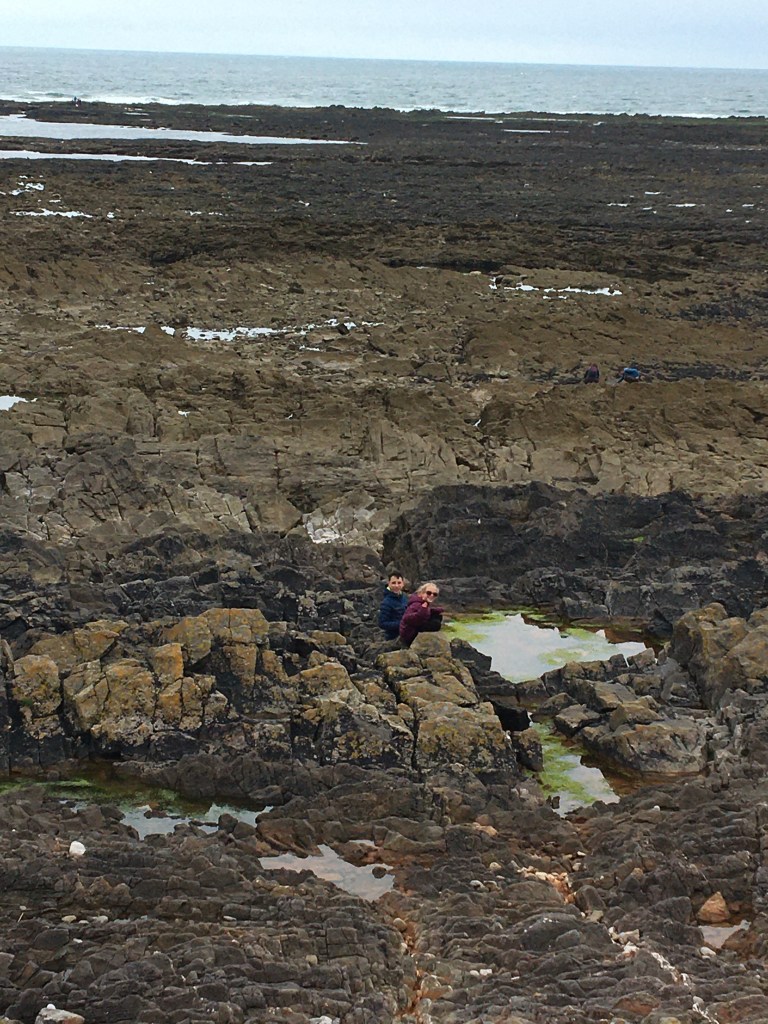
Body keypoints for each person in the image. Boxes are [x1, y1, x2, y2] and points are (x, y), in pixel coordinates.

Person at [399, 582, 444, 646]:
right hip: (409, 634)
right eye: (429, 593)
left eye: (434, 594)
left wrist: (434, 610)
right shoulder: (416, 604)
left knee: (437, 616)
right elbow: (406, 618)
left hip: (415, 626)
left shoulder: (422, 602)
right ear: (421, 593)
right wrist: (423, 608)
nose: (431, 595)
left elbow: (426, 612)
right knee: (436, 624)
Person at [378, 571, 408, 640]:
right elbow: (382, 623)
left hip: (406, 633)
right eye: (393, 583)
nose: (396, 586)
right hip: (393, 638)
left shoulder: (404, 597)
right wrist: (401, 624)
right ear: (388, 583)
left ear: (403, 584)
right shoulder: (386, 602)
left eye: (399, 583)